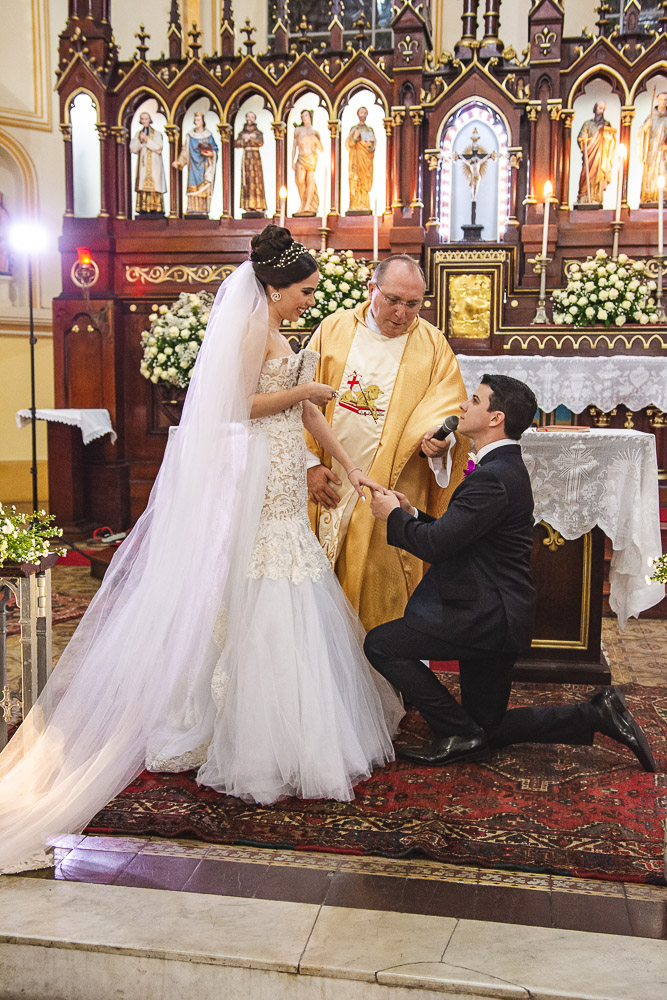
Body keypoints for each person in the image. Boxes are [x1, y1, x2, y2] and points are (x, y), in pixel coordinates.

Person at [0, 226, 404, 874]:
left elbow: (307, 416)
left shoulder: (281, 332)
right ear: (275, 289)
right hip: (257, 474)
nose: (310, 301)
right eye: (304, 291)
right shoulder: (250, 331)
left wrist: (348, 465)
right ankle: (245, 731)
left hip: (284, 468)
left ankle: (293, 722)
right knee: (263, 579)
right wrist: (303, 391)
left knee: (292, 575)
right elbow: (235, 407)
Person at [364, 374, 657, 773]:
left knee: (381, 644)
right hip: (500, 610)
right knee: (489, 728)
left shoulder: (493, 476)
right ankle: (596, 714)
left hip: (484, 616)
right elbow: (460, 536)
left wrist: (392, 517)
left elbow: (436, 546)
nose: (463, 406)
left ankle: (456, 733)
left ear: (495, 417)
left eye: (474, 400)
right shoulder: (501, 467)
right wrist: (411, 513)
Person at [304, 254, 469, 632]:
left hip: (390, 491)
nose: (402, 313)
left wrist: (439, 444)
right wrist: (308, 464)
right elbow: (299, 402)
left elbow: (448, 412)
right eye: (393, 300)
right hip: (327, 481)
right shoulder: (332, 330)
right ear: (371, 289)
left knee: (380, 596)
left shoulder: (433, 346)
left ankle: (376, 668)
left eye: (413, 304)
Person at [173, 111, 219, 215]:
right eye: (195, 120)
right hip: (193, 166)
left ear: (203, 122)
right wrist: (180, 162)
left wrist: (211, 154)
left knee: (204, 187)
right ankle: (193, 209)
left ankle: (203, 209)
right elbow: (185, 150)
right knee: (193, 187)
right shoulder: (190, 136)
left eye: (198, 120)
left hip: (204, 166)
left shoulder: (208, 135)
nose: (196, 122)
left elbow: (215, 149)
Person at [575, 101, 616, 206]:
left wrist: (608, 139)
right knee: (585, 175)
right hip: (590, 155)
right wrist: (584, 139)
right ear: (595, 109)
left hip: (601, 156)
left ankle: (596, 198)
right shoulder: (587, 124)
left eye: (603, 109)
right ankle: (584, 197)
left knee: (599, 175)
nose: (601, 111)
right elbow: (580, 139)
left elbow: (612, 142)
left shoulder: (606, 125)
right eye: (599, 108)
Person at [129, 111, 167, 215]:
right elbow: (133, 149)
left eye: (146, 118)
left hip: (155, 164)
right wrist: (140, 142)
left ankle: (156, 208)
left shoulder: (157, 134)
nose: (145, 121)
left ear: (150, 120)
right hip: (143, 165)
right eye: (142, 119)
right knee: (143, 184)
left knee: (156, 184)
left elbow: (159, 148)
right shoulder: (138, 134)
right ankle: (143, 208)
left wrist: (147, 140)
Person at [234, 110, 267, 217]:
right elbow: (236, 143)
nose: (250, 119)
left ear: (254, 119)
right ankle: (248, 205)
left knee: (256, 180)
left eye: (252, 117)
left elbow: (260, 142)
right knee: (247, 181)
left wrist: (251, 138)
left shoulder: (258, 133)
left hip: (255, 158)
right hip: (246, 158)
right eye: (248, 116)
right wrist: (244, 140)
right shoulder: (242, 133)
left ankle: (258, 205)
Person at [637, 91, 667, 204]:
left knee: (663, 171)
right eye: (661, 99)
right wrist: (645, 127)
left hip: (664, 152)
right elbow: (641, 133)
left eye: (665, 100)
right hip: (652, 151)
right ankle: (650, 196)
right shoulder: (651, 117)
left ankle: (664, 196)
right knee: (651, 172)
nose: (663, 102)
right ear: (657, 100)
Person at [345, 106, 376, 213]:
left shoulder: (369, 130)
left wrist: (368, 145)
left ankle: (364, 204)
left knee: (365, 179)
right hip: (356, 157)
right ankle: (355, 204)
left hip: (366, 159)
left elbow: (372, 146)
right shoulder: (354, 129)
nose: (363, 114)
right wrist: (355, 137)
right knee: (355, 179)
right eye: (361, 112)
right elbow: (349, 144)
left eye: (364, 112)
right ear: (358, 114)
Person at [292, 109, 323, 216]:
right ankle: (302, 203)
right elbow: (294, 147)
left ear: (310, 117)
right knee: (300, 181)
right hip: (301, 158)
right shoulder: (298, 130)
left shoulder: (314, 132)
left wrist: (316, 138)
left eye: (306, 115)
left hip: (311, 159)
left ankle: (307, 206)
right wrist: (292, 161)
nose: (304, 118)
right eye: (302, 116)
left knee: (310, 182)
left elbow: (321, 148)